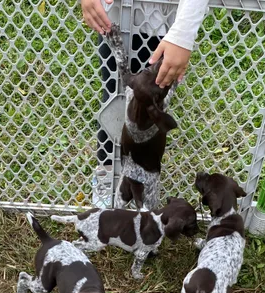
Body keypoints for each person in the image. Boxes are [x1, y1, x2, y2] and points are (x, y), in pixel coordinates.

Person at [83, 0, 209, 206]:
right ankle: (106, 172)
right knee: (112, 100)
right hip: (112, 15)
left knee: (155, 100)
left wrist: (183, 34)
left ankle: (141, 179)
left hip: (163, 24)